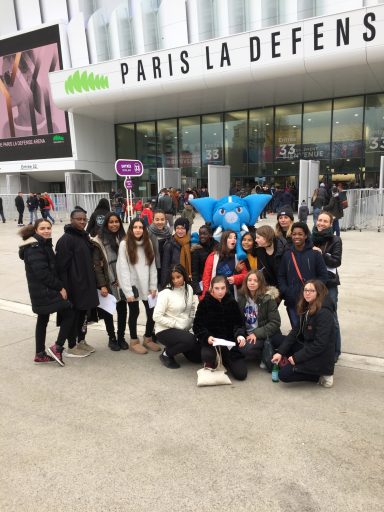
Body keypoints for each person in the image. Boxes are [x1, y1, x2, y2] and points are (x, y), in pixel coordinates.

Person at [18, 219, 74, 366]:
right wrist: (60, 288)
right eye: (42, 228)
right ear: (35, 230)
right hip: (45, 290)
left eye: (48, 228)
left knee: (42, 319)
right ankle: (58, 347)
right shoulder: (35, 247)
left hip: (41, 291)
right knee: (69, 313)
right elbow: (43, 273)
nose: (46, 231)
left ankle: (39, 354)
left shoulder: (43, 243)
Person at [271, 280, 336, 387]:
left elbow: (320, 345)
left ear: (319, 293)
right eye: (305, 290)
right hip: (308, 347)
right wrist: (281, 352)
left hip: (320, 357)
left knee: (283, 375)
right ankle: (289, 361)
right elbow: (294, 332)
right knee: (276, 339)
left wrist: (297, 357)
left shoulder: (324, 313)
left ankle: (319, 376)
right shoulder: (308, 306)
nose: (307, 293)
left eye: (311, 291)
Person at [56, 208, 99, 358]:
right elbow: (61, 267)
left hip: (86, 284)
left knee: (84, 315)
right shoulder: (66, 240)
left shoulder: (84, 237)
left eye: (84, 219)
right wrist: (63, 288)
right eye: (78, 219)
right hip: (73, 286)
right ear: (71, 220)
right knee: (73, 316)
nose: (82, 222)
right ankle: (71, 346)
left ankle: (81, 341)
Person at [117, 218, 159, 354]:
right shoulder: (124, 244)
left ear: (144, 229)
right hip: (133, 285)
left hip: (147, 284)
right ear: (131, 228)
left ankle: (148, 338)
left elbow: (152, 266)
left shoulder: (148, 243)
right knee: (134, 312)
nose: (138, 230)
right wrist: (128, 291)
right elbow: (122, 269)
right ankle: (134, 340)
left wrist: (153, 285)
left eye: (141, 227)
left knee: (151, 312)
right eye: (135, 227)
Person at [193, 275, 248, 381]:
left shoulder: (232, 302)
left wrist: (240, 335)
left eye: (223, 288)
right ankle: (215, 360)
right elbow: (197, 326)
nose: (220, 291)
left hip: (229, 343)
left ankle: (225, 360)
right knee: (207, 356)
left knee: (241, 374)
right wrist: (207, 337)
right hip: (212, 344)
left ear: (226, 288)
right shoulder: (205, 303)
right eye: (217, 288)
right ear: (211, 288)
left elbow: (239, 323)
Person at [278, 222, 328, 328]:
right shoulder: (287, 254)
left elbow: (323, 276)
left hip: (311, 302)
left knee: (311, 331)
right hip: (292, 300)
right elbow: (281, 275)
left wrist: (314, 292)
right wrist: (286, 291)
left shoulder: (315, 254)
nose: (296, 236)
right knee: (297, 330)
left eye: (300, 234)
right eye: (294, 234)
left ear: (305, 235)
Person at [92, 212, 128, 352]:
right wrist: (102, 285)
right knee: (108, 311)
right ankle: (111, 338)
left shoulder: (124, 238)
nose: (114, 224)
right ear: (106, 224)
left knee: (122, 310)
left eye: (116, 221)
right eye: (111, 222)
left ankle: (121, 337)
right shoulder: (99, 240)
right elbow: (97, 266)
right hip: (108, 280)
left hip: (122, 280)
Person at [153, 264, 201, 369]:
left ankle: (178, 344)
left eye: (178, 277)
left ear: (184, 275)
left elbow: (193, 307)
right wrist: (176, 324)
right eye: (173, 278)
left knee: (197, 358)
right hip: (165, 329)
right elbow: (156, 316)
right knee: (190, 340)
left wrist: (193, 324)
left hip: (183, 329)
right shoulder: (165, 293)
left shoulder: (189, 288)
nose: (175, 281)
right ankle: (166, 354)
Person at [312, 211, 342, 362]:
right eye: (320, 220)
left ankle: (336, 351)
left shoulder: (335, 240)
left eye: (325, 221)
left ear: (331, 224)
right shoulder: (311, 237)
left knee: (332, 318)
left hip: (329, 284)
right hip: (313, 284)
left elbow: (336, 261)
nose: (321, 223)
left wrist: (321, 254)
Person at [237, 270, 282, 363]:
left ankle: (264, 352)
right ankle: (260, 352)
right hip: (248, 334)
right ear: (246, 282)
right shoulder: (242, 297)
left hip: (263, 334)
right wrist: (240, 335)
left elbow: (275, 322)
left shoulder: (268, 298)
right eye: (249, 280)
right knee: (239, 347)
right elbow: (239, 320)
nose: (252, 283)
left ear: (260, 283)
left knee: (245, 349)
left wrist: (256, 334)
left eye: (255, 280)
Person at [201, 230, 247, 300]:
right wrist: (205, 297)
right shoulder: (213, 256)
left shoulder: (238, 257)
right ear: (224, 240)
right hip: (215, 296)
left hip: (232, 296)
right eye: (230, 237)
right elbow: (206, 278)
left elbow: (246, 276)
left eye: (235, 238)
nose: (233, 240)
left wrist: (235, 278)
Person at [161, 217, 191, 288]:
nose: (180, 231)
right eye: (178, 228)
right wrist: (165, 285)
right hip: (174, 281)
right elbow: (165, 267)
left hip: (187, 281)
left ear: (186, 229)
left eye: (183, 228)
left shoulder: (190, 243)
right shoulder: (169, 244)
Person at [148, 209, 172, 288]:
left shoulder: (168, 232)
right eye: (157, 219)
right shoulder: (149, 232)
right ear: (153, 220)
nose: (160, 222)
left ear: (165, 220)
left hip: (166, 264)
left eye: (162, 219)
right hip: (154, 265)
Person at [191, 224, 217, 296]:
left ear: (210, 234)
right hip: (203, 283)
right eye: (200, 234)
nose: (202, 236)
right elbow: (195, 272)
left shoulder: (217, 247)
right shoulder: (197, 250)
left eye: (204, 234)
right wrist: (197, 289)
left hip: (216, 281)